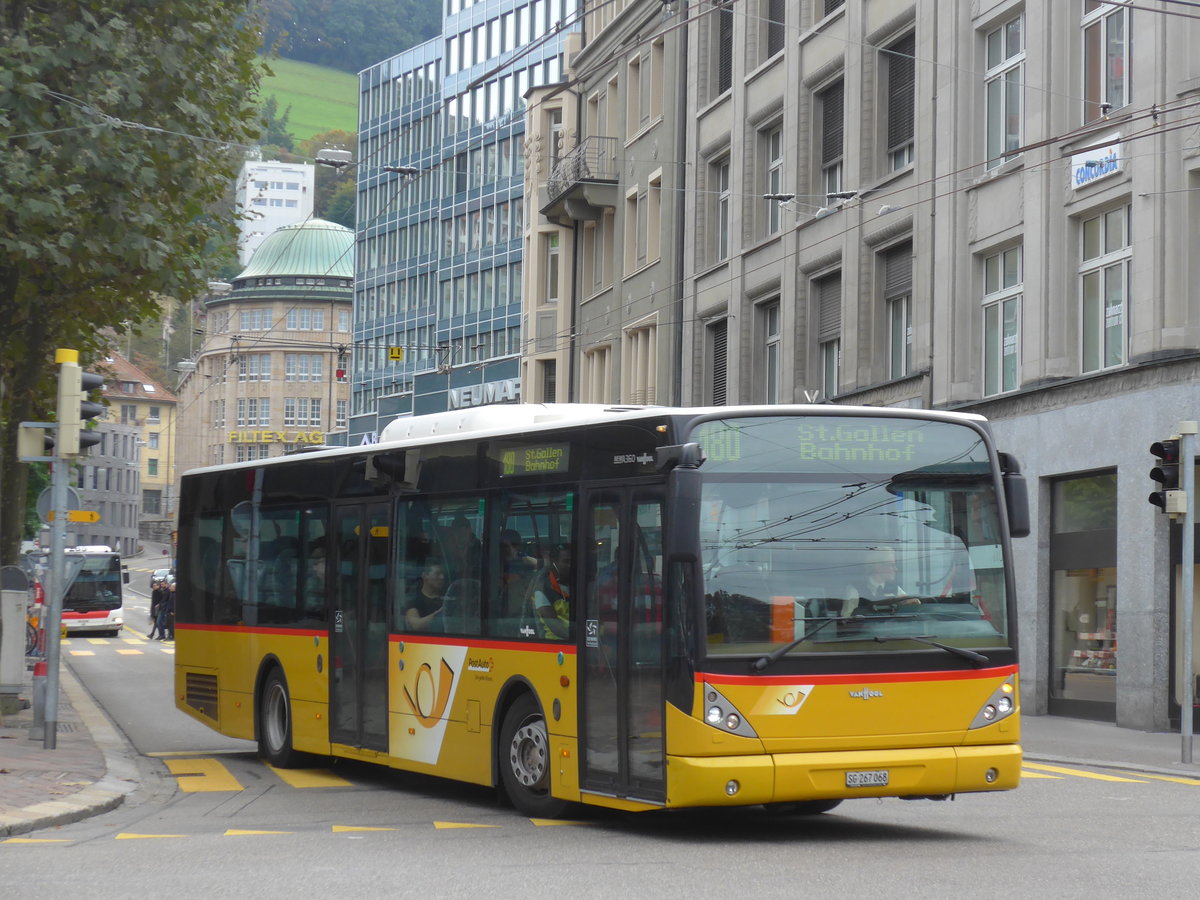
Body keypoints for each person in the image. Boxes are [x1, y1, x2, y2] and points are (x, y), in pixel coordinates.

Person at [843, 547, 920, 616]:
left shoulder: (895, 588)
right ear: (878, 567)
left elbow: (911, 603)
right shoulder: (855, 589)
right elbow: (846, 619)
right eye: (891, 565)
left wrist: (909, 603)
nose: (895, 569)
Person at [531, 545, 571, 639]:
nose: (570, 565)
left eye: (572, 561)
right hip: (554, 643)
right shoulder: (542, 589)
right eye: (566, 561)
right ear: (554, 562)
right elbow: (555, 627)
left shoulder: (575, 583)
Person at [405, 561, 446, 631]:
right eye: (437, 574)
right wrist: (439, 614)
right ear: (425, 576)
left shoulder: (447, 597)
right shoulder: (415, 599)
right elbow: (416, 625)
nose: (442, 577)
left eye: (442, 574)